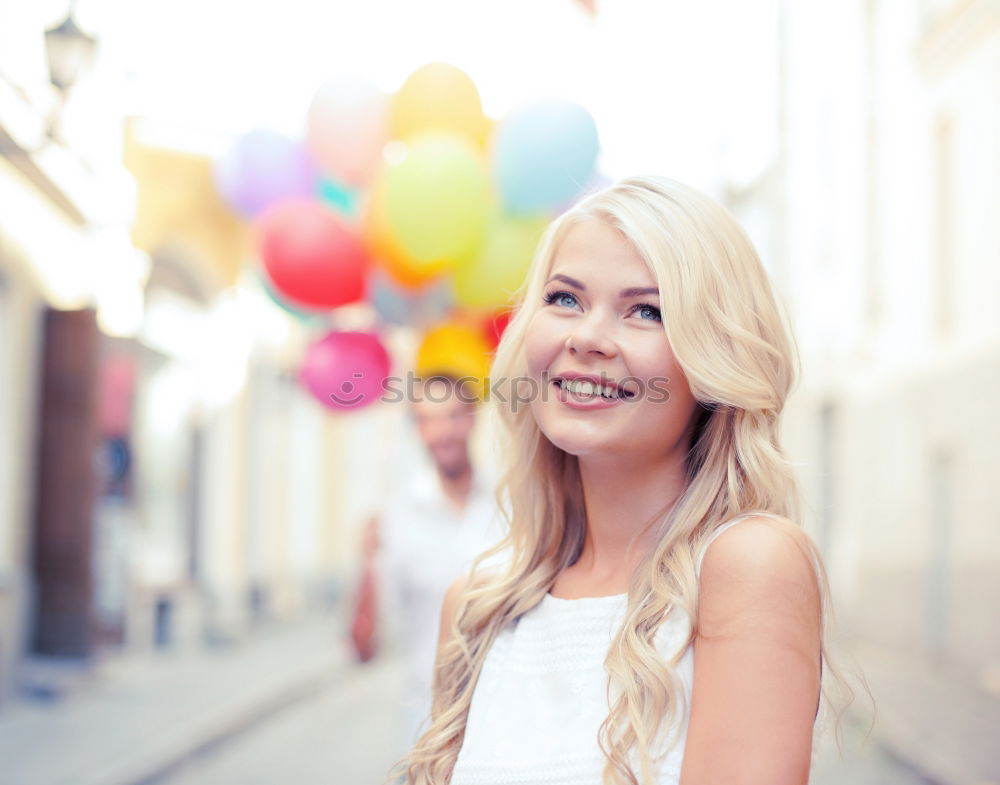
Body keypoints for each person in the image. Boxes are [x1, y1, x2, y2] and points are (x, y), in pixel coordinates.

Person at [393, 176, 855, 785]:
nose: (586, 338)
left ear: (713, 358)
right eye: (564, 299)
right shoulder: (474, 610)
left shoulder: (747, 567)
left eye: (646, 310)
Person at [352, 374, 506, 748]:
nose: (442, 431)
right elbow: (364, 648)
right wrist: (368, 566)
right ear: (417, 430)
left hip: (507, 717)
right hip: (428, 726)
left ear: (472, 419)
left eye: (452, 416)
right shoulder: (396, 520)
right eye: (428, 420)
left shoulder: (513, 506)